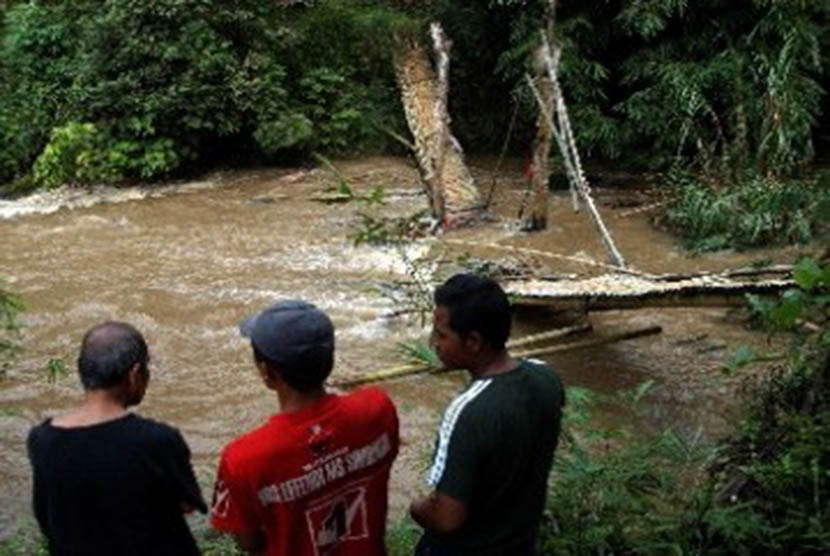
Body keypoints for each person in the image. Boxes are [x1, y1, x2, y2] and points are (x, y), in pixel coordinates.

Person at [211, 300, 399, 555]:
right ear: (330, 359)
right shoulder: (377, 408)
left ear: (266, 372)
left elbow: (249, 543)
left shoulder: (243, 459)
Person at [410, 274, 565, 556]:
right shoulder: (547, 378)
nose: (434, 342)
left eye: (441, 334)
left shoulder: (468, 411)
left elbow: (446, 518)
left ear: (473, 342)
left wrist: (416, 508)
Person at [27, 321, 206, 556]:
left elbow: (45, 515)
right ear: (134, 375)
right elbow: (187, 503)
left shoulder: (42, 440)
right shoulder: (156, 440)